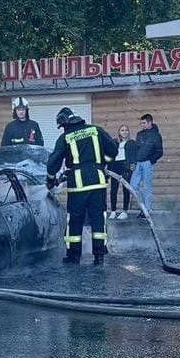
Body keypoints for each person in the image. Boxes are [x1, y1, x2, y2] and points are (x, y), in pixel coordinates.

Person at [46, 106, 117, 266]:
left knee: (75, 220)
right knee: (98, 218)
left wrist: (50, 179)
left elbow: (53, 163)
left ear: (65, 123)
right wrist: (102, 162)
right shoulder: (95, 130)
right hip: (98, 182)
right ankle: (99, 256)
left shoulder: (66, 137)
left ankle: (73, 256)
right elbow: (113, 150)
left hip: (78, 186)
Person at [129, 113, 164, 217]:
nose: (142, 125)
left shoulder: (156, 135)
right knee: (133, 185)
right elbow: (136, 149)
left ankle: (147, 210)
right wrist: (133, 162)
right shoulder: (139, 134)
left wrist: (151, 161)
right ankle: (143, 207)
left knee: (147, 187)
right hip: (138, 162)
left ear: (150, 122)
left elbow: (160, 151)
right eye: (141, 123)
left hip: (148, 163)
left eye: (144, 123)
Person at [108, 124, 137, 220]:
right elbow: (109, 154)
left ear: (128, 132)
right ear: (119, 132)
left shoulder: (131, 143)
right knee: (113, 190)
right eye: (122, 130)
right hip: (115, 166)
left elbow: (133, 155)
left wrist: (133, 164)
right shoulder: (115, 142)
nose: (124, 132)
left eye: (126, 130)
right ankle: (113, 211)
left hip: (125, 166)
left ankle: (125, 211)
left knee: (126, 189)